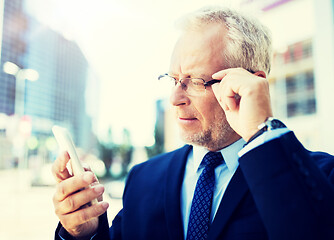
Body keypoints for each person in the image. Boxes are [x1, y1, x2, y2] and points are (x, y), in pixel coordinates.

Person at [52, 6, 334, 240]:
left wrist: (261, 131)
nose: (175, 98)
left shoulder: (320, 176)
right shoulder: (143, 179)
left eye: (195, 82)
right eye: (174, 80)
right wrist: (82, 233)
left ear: (250, 84)